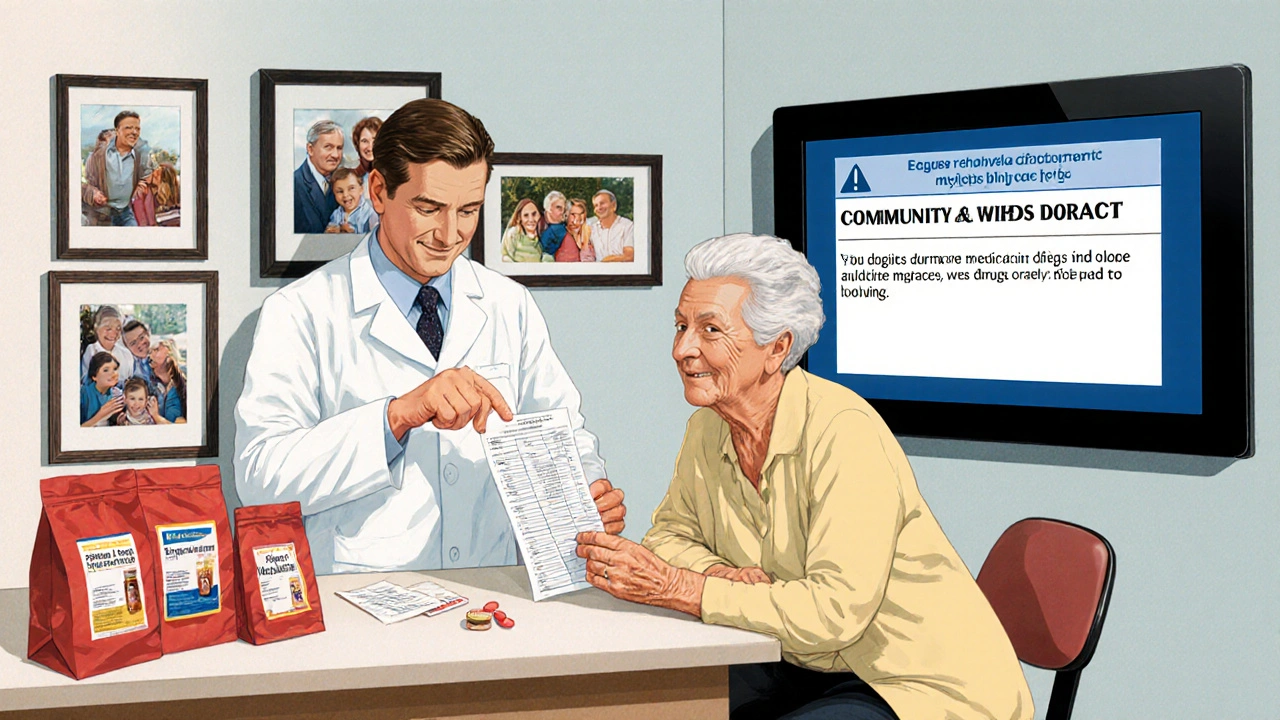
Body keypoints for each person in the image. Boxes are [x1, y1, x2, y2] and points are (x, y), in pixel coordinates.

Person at [576, 234, 1034, 720]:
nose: (682, 349)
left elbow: (833, 613)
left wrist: (684, 587)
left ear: (777, 347)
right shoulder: (707, 427)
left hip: (912, 683)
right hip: (797, 659)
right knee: (650, 704)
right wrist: (717, 575)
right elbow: (669, 534)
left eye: (710, 330)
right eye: (681, 326)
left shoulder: (843, 432)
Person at [234, 98, 626, 575]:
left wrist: (588, 491)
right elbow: (260, 477)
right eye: (429, 208)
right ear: (378, 192)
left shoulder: (509, 305)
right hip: (361, 609)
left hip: (495, 594)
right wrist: (397, 416)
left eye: (469, 210)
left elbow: (563, 432)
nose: (449, 233)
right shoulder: (300, 311)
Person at [82, 111, 154, 227]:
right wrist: (93, 193)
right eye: (128, 128)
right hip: (101, 216)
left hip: (126, 213)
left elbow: (147, 175)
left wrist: (140, 187)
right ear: (117, 131)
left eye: (137, 129)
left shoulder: (141, 155)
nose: (134, 132)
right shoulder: (97, 157)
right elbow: (81, 184)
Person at [293, 119, 344, 234]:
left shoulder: (341, 183)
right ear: (310, 149)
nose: (336, 155)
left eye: (339, 148)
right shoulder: (294, 185)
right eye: (328, 147)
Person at [80, 305, 134, 387]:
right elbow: (86, 383)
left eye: (118, 329)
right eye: (108, 329)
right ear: (96, 328)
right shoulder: (91, 350)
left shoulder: (126, 354)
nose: (113, 334)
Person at [325, 167, 378, 234]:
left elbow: (375, 236)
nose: (345, 195)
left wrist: (352, 232)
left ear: (361, 189)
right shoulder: (336, 214)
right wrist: (334, 230)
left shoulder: (369, 213)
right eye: (340, 191)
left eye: (351, 188)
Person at [586, 189, 634, 262]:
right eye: (596, 205)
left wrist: (605, 261)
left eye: (602, 203)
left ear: (614, 205)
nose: (599, 208)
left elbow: (629, 256)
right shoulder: (592, 229)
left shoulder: (627, 226)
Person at [499, 198, 552, 262]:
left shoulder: (543, 233)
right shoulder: (514, 233)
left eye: (534, 214)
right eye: (526, 215)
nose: (531, 219)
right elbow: (505, 256)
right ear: (519, 218)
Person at [149, 339, 187, 424]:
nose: (151, 353)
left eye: (156, 350)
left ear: (169, 357)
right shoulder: (151, 384)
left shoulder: (183, 382)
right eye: (150, 351)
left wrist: (156, 416)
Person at [132, 163, 181, 227]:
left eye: (156, 175)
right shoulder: (143, 190)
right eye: (154, 172)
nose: (153, 174)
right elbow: (142, 220)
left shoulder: (174, 193)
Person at [81, 352, 122, 427]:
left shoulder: (118, 394)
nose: (113, 373)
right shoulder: (83, 393)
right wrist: (100, 416)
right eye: (106, 370)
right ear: (94, 376)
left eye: (115, 369)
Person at [558, 197, 595, 262]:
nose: (576, 220)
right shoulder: (561, 234)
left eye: (580, 215)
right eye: (572, 214)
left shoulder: (589, 232)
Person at [352, 115, 383, 190]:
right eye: (364, 141)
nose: (370, 147)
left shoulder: (392, 177)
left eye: (375, 141)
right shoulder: (350, 177)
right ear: (357, 144)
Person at [122, 319, 155, 386]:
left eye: (141, 337)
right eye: (133, 343)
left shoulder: (165, 355)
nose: (139, 344)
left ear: (148, 334)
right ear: (128, 348)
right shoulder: (130, 370)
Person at [539, 191, 568, 258]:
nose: (562, 212)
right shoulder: (538, 226)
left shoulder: (565, 225)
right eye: (558, 207)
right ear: (548, 208)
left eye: (563, 209)